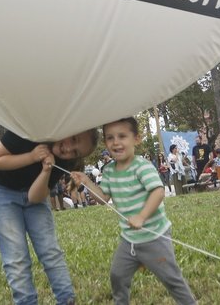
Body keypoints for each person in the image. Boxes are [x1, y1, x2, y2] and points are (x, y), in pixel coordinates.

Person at [71, 118, 196, 304]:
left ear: (136, 139)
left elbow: (158, 191)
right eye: (110, 138)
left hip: (155, 237)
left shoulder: (142, 166)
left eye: (122, 136)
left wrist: (141, 216)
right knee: (117, 275)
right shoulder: (109, 171)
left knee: (172, 279)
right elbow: (103, 198)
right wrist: (87, 182)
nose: (116, 142)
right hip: (129, 241)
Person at [0, 127, 98, 305]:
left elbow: (34, 198)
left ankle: (67, 300)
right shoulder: (30, 127)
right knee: (16, 258)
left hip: (34, 193)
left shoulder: (65, 160)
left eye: (75, 152)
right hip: (1, 190)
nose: (68, 149)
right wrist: (32, 156)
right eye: (73, 139)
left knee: (50, 251)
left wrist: (46, 171)